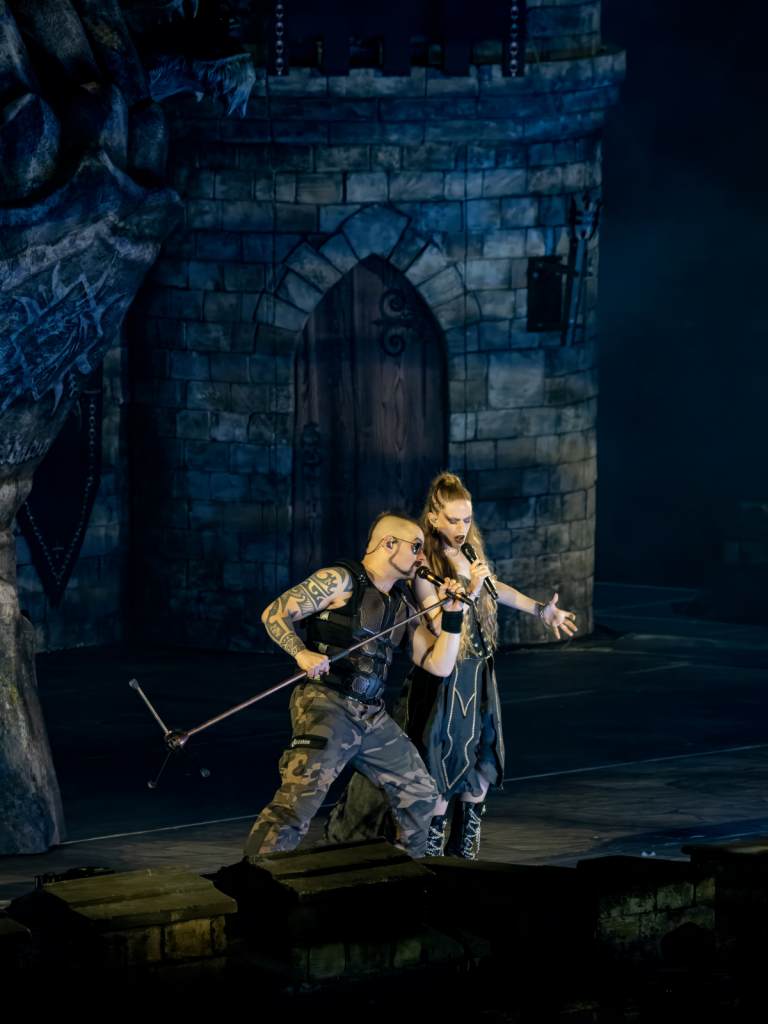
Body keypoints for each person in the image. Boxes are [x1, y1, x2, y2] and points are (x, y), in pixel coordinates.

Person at [326, 473, 577, 860]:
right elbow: (438, 624)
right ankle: (429, 854)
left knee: (481, 761)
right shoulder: (425, 564)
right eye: (453, 520)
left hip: (478, 673)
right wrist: (469, 592)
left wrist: (540, 609)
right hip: (445, 678)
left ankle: (465, 853)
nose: (461, 528)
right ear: (433, 517)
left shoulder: (470, 554)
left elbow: (495, 588)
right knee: (440, 765)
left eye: (467, 520)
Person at [243, 511, 469, 858]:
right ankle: (252, 880)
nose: (422, 557)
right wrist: (300, 652)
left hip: (371, 716)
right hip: (327, 704)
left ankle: (403, 874)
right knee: (296, 806)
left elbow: (440, 665)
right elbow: (274, 613)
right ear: (388, 544)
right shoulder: (340, 580)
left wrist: (453, 616)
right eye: (416, 547)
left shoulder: (401, 605)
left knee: (421, 795)